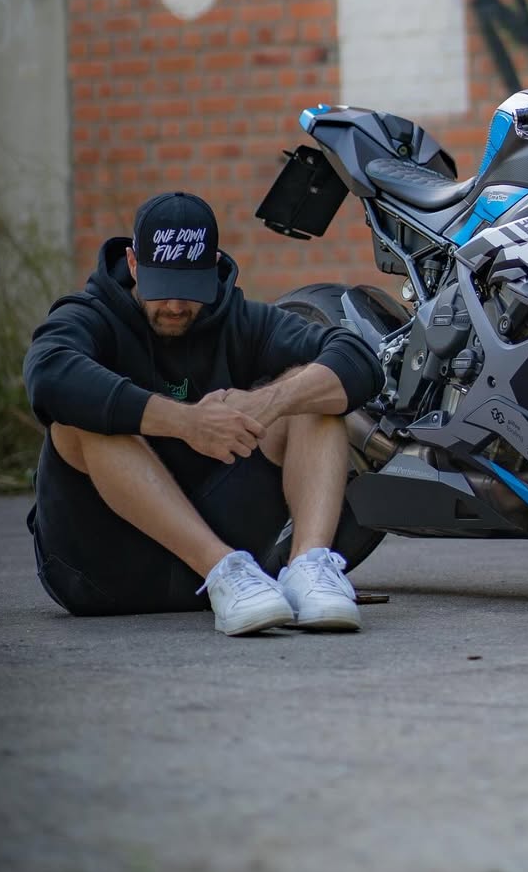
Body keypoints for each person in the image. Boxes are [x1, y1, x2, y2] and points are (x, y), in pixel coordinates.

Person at [23, 190, 384, 636]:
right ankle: (220, 567)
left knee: (313, 394)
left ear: (213, 269)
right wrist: (186, 422)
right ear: (133, 264)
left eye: (190, 290)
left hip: (240, 573)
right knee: (79, 418)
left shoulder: (240, 320)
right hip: (98, 572)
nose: (176, 306)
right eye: (162, 289)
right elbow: (47, 374)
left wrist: (266, 402)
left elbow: (358, 359)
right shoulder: (90, 315)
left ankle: (309, 569)